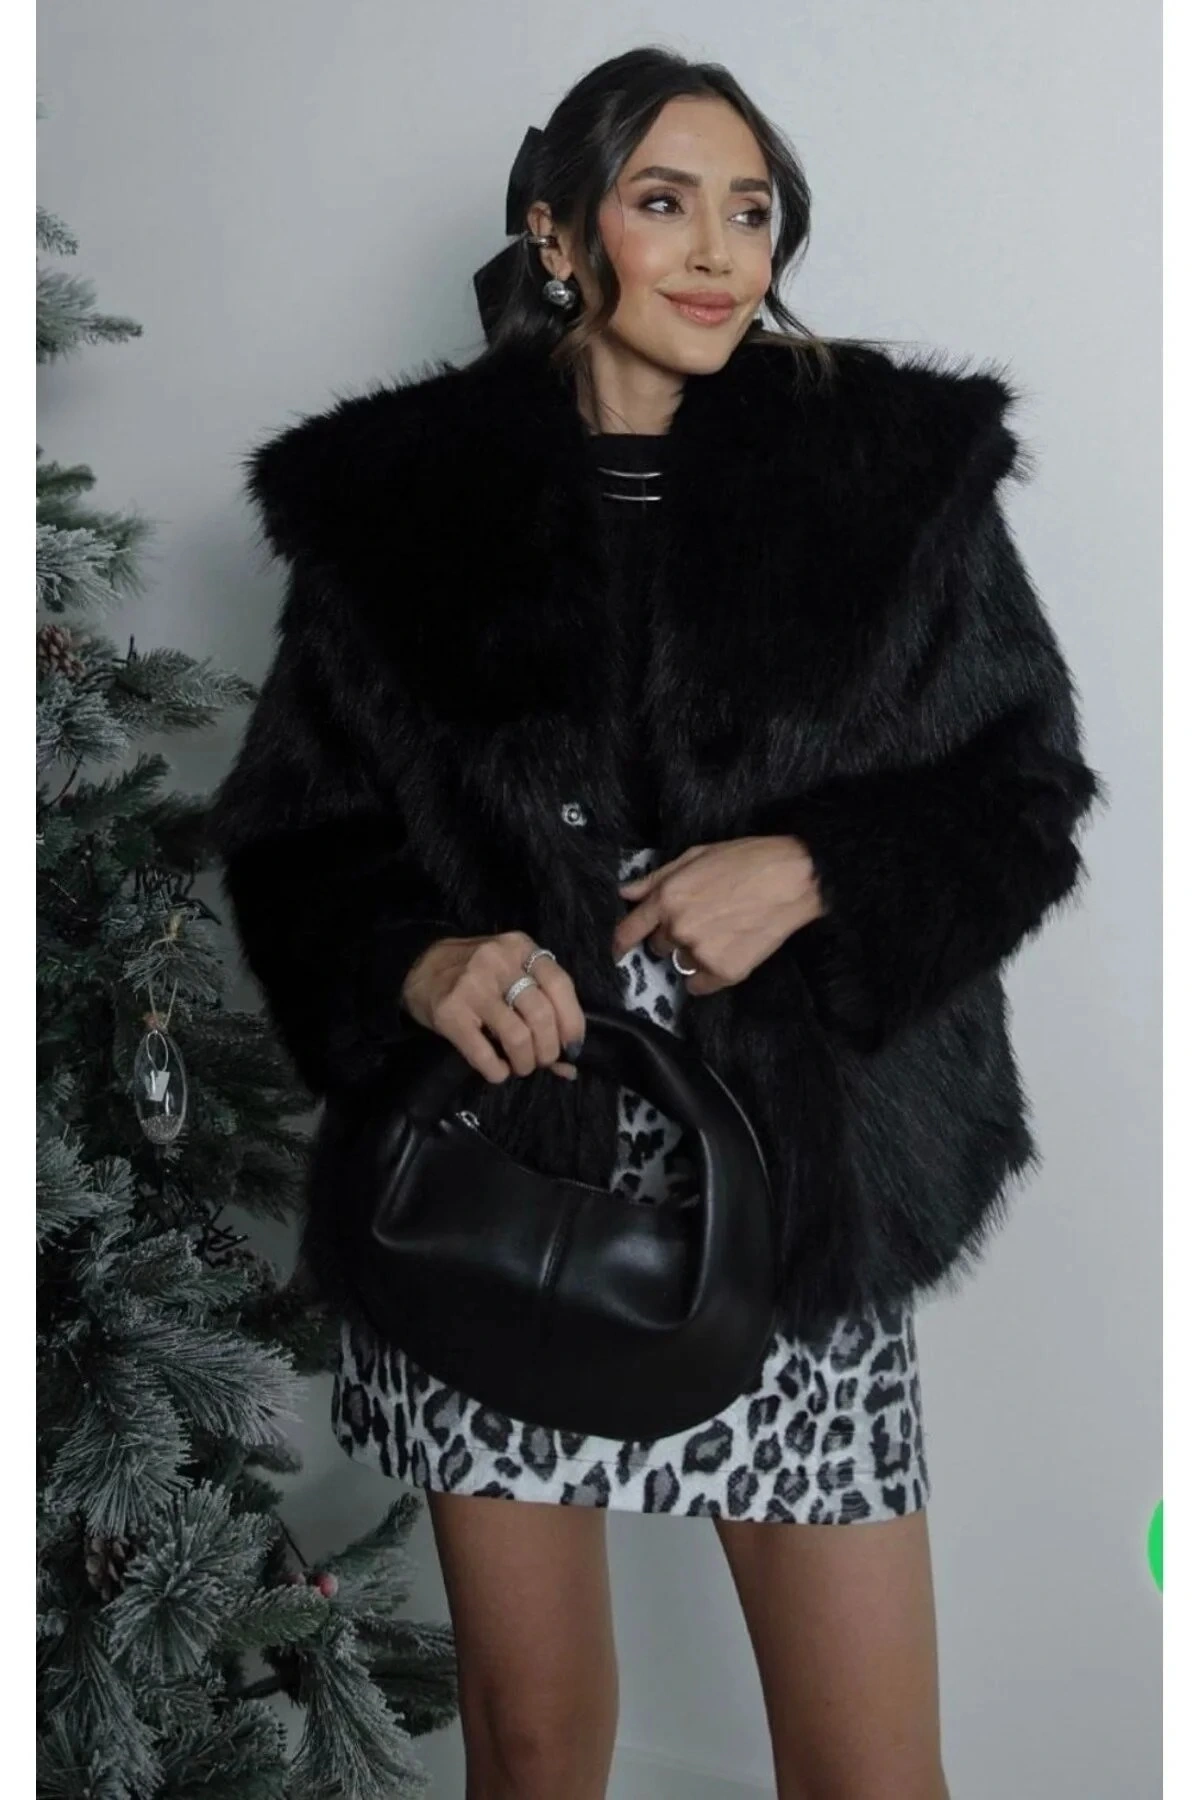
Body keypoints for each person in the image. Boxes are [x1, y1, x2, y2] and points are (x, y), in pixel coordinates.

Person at [210, 45, 1102, 1800]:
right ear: (559, 234)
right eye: (662, 202)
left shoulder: (893, 480)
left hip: (804, 1189)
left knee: (870, 1772)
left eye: (750, 212)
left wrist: (817, 870)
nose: (715, 254)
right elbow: (294, 834)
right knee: (535, 1752)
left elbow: (1024, 793)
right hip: (490, 1176)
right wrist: (421, 959)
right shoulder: (397, 510)